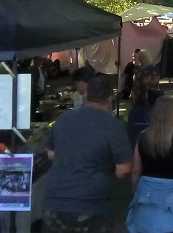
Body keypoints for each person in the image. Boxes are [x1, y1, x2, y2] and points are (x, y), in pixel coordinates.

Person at [44, 74, 133, 233]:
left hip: (55, 201)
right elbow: (124, 168)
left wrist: (72, 158)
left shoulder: (63, 119)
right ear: (109, 99)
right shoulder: (113, 126)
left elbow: (50, 153)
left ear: (85, 95)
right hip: (91, 205)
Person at [126, 96, 173, 233]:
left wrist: (135, 188)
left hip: (146, 192)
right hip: (171, 194)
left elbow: (136, 169)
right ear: (169, 114)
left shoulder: (142, 136)